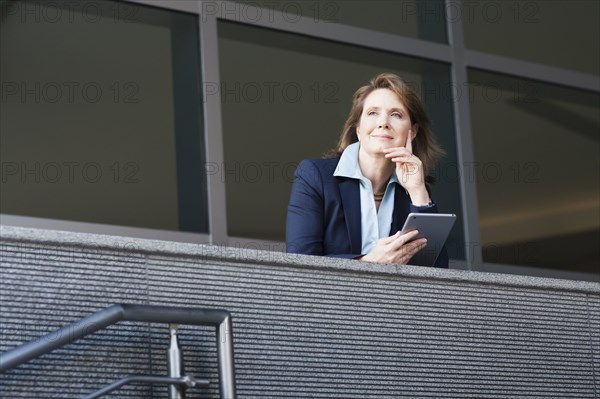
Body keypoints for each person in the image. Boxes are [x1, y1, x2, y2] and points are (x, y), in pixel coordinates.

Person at [286, 72, 449, 268]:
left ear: (412, 132)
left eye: (396, 115)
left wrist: (418, 192)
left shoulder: (414, 193)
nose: (383, 123)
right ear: (358, 128)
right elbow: (300, 263)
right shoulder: (314, 176)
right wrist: (368, 262)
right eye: (373, 113)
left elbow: (437, 275)